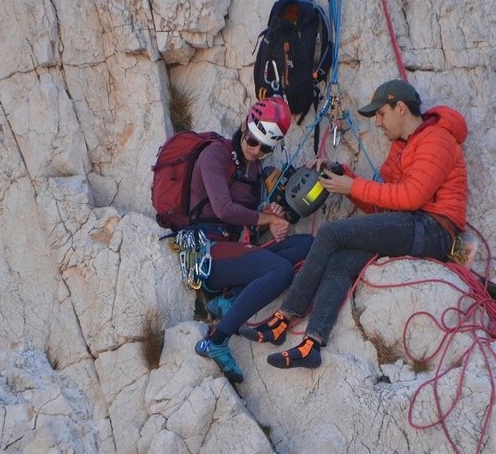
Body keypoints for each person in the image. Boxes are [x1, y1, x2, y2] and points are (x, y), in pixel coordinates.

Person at [241, 79, 468, 368]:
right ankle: (312, 343)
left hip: (434, 230)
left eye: (381, 114)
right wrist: (340, 176)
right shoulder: (403, 147)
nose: (378, 123)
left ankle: (282, 319)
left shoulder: (436, 139)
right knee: (341, 261)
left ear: (401, 108)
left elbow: (411, 197)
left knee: (330, 233)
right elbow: (384, 204)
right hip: (414, 225)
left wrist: (353, 186)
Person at [191, 97, 314, 383]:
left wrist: (269, 216)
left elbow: (247, 221)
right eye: (252, 141)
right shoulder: (215, 155)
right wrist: (267, 219)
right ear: (245, 128)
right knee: (280, 270)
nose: (257, 151)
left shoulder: (254, 170)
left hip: (232, 250)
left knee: (306, 244)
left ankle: (229, 302)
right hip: (206, 251)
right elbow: (223, 209)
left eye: (265, 148)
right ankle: (216, 340)